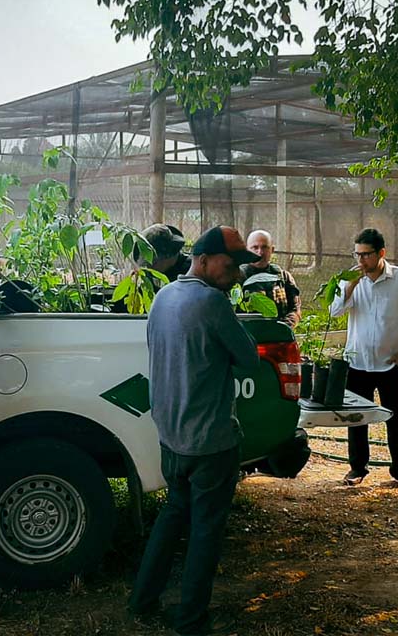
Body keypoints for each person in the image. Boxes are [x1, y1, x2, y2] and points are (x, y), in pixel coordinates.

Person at [129, 226, 261, 636]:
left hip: (171, 437)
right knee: (206, 529)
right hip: (210, 442)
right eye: (230, 264)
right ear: (202, 260)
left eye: (240, 266)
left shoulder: (163, 297)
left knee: (173, 515)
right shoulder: (212, 303)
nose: (237, 274)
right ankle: (191, 619)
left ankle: (142, 599)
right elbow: (250, 361)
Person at [330, 228, 398, 486]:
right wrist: (350, 286)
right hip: (358, 362)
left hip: (391, 363)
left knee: (397, 417)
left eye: (367, 255)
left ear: (381, 253)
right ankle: (357, 468)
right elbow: (335, 311)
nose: (361, 261)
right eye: (357, 254)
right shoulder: (349, 279)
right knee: (357, 418)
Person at [241, 229, 302, 326]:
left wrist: (283, 328)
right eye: (255, 247)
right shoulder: (237, 278)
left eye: (264, 247)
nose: (260, 252)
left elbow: (295, 309)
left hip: (280, 335)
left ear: (272, 250)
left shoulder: (284, 277)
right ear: (247, 250)